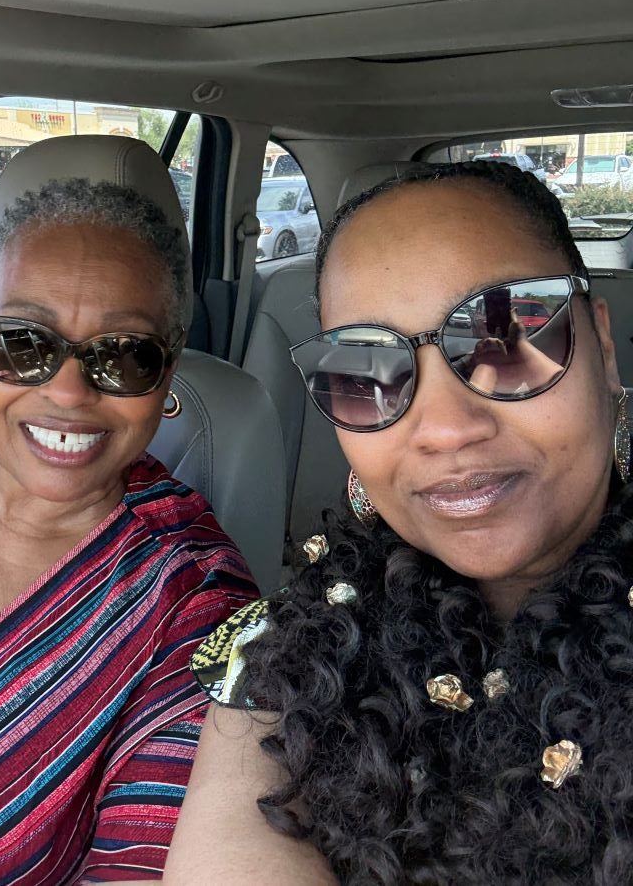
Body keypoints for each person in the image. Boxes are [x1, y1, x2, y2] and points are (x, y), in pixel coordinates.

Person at [167, 160, 633, 886]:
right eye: (366, 368)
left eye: (507, 338)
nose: (445, 428)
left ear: (601, 349)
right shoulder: (289, 645)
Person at [0, 177, 255, 884]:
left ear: (167, 370)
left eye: (123, 355)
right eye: (23, 342)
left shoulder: (191, 603)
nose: (66, 391)